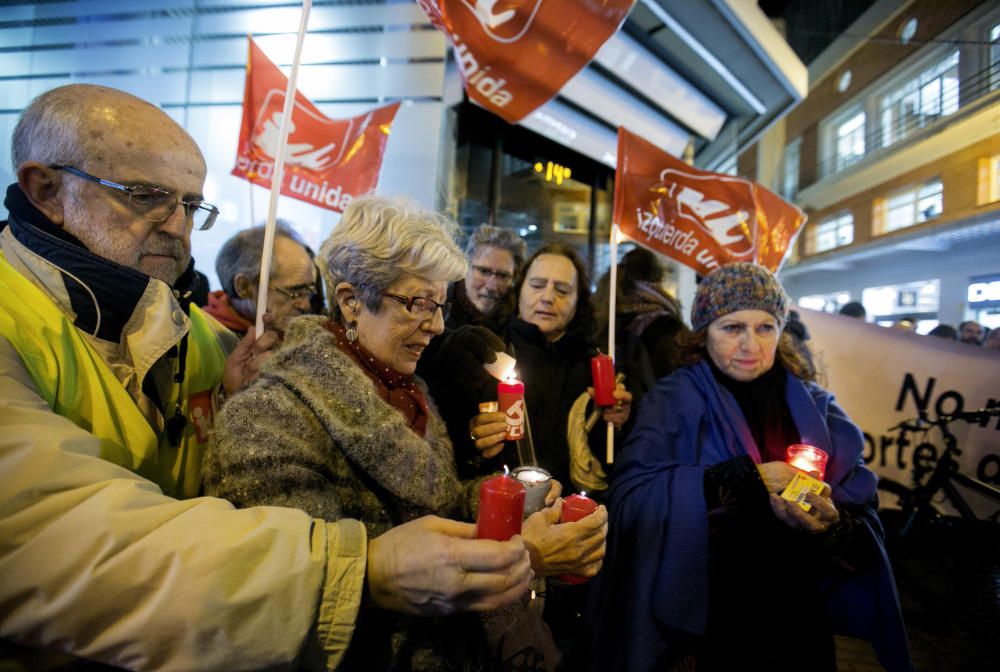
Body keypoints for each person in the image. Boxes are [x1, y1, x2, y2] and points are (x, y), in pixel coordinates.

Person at [0, 84, 532, 671]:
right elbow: (43, 539)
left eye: (192, 205)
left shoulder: (198, 336)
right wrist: (360, 570)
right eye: (147, 196)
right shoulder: (13, 316)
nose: (178, 227)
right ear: (45, 189)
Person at [206, 195, 606, 671]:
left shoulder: (405, 389)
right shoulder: (267, 418)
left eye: (439, 306)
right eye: (417, 303)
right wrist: (525, 554)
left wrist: (516, 500)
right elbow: (310, 592)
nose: (436, 326)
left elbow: (434, 504)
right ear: (352, 301)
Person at [587, 262, 913, 672]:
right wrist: (741, 479)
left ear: (781, 331)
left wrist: (833, 527)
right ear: (703, 333)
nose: (750, 345)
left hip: (798, 623)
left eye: (765, 328)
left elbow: (864, 515)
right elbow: (631, 499)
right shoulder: (671, 400)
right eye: (732, 327)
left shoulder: (818, 405)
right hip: (712, 626)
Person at [592, 246, 687, 411]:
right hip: (653, 420)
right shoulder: (665, 326)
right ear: (659, 279)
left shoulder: (603, 315)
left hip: (611, 419)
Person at [205, 221, 319, 336]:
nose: (306, 305)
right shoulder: (201, 336)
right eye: (295, 292)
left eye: (309, 290)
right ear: (243, 287)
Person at [448, 223, 527, 331]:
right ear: (466, 266)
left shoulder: (521, 320)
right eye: (484, 271)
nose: (492, 286)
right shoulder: (440, 314)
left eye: (503, 275)